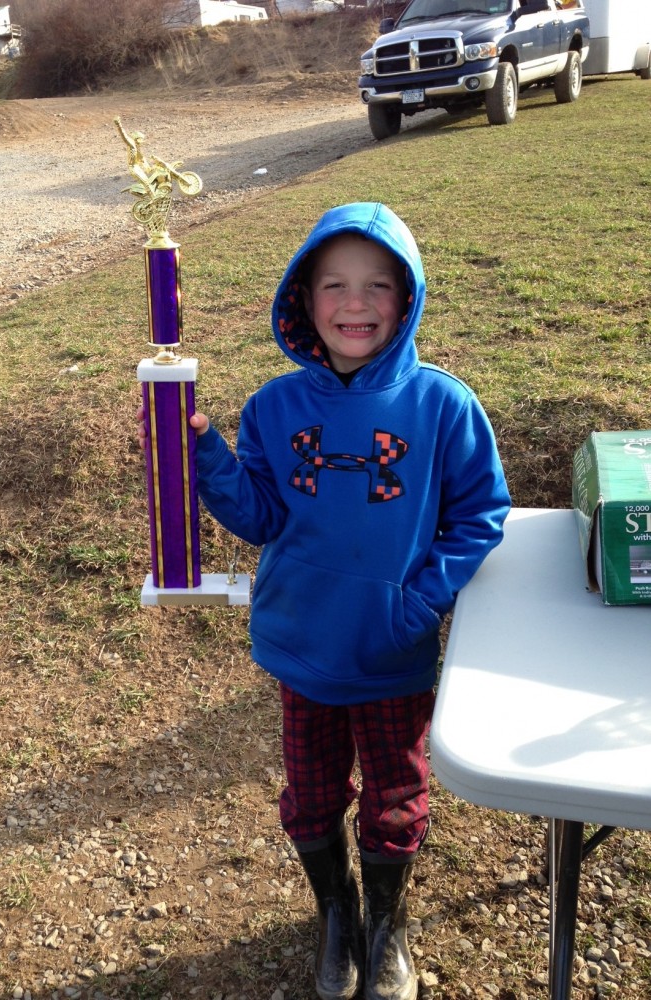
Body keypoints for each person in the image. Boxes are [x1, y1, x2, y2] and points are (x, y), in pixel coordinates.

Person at [138, 202, 510, 1000]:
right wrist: (201, 452)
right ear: (302, 300)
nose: (355, 303)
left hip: (391, 655)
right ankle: (335, 912)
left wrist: (418, 605)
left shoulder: (444, 406)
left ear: (406, 300)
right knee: (311, 797)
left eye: (378, 285)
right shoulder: (274, 408)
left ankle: (387, 924)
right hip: (302, 646)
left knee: (395, 798)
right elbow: (260, 516)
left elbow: (481, 514)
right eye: (334, 285)